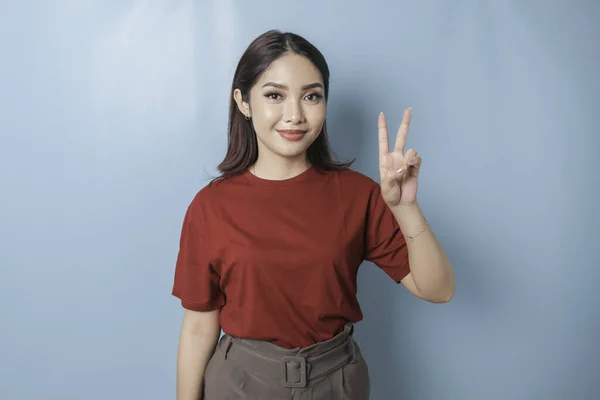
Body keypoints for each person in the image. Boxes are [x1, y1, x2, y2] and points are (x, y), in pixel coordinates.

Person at [171, 29, 455, 400]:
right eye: (275, 95)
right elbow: (197, 327)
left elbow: (438, 289)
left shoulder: (358, 194)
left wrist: (406, 207)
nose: (295, 115)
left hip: (336, 381)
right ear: (243, 102)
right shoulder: (210, 207)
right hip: (240, 383)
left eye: (311, 96)